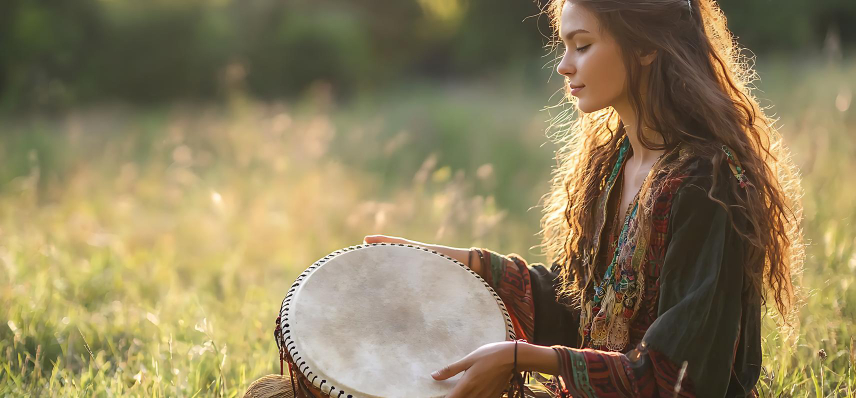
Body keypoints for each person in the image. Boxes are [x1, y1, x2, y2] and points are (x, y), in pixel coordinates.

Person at [245, 0, 803, 396]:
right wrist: (453, 264)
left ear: (647, 48)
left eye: (582, 46)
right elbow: (577, 310)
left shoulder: (710, 185)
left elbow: (677, 378)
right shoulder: (616, 167)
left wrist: (520, 358)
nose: (564, 65)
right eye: (564, 46)